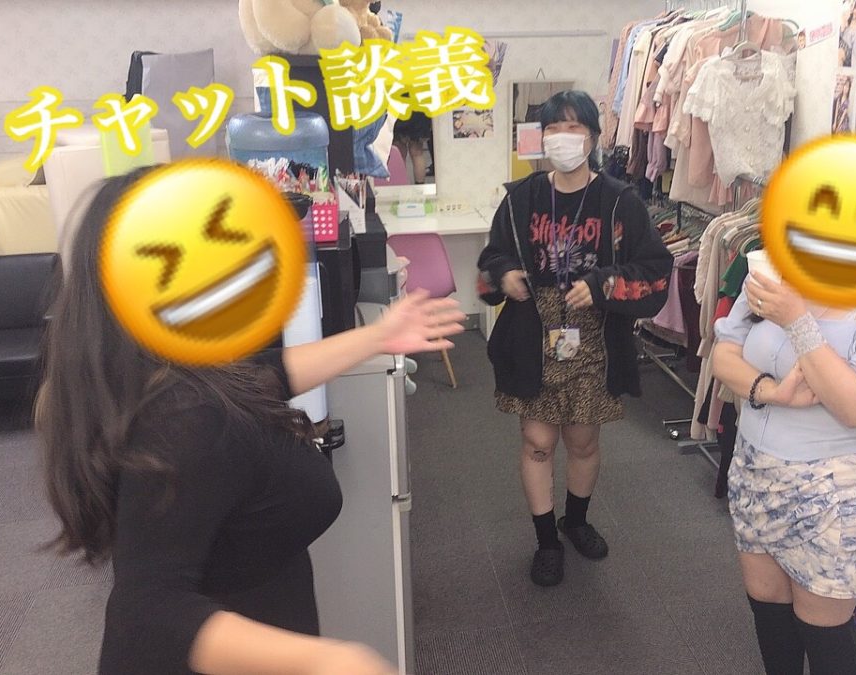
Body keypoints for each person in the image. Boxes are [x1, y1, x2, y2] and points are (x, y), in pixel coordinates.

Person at [37, 168, 465, 675]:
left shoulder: (176, 373)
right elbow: (147, 613)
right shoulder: (185, 417)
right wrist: (330, 661)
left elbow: (267, 376)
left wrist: (376, 338)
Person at [477, 90, 673, 587]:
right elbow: (491, 259)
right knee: (537, 440)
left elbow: (655, 270)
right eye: (553, 128)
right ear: (541, 137)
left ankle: (577, 520)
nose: (562, 137)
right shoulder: (520, 198)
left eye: (573, 127)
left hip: (593, 337)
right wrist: (504, 276)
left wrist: (604, 283)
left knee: (582, 440)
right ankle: (547, 541)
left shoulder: (620, 201)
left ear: (592, 136)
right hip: (533, 333)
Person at [711, 274, 856, 675]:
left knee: (823, 635)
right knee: (769, 615)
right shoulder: (774, 272)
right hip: (755, 472)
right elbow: (724, 354)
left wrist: (796, 320)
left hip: (836, 492)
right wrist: (771, 391)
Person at [392, 112, 434, 184]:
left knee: (399, 152)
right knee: (417, 153)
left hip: (400, 110)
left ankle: (400, 185)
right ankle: (420, 186)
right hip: (419, 111)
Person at [838, 0, 856, 67]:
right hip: (839, 44)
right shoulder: (845, 21)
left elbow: (854, 51)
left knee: (839, 53)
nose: (854, 10)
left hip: (847, 50)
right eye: (853, 7)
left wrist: (854, 69)